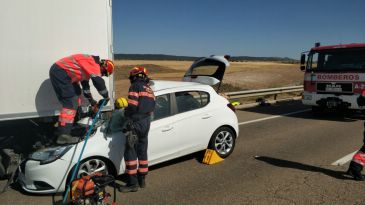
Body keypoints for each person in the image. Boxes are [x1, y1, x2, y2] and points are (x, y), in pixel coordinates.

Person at [49, 54, 114, 144]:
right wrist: (106, 96)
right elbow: (99, 82)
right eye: (103, 73)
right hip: (61, 72)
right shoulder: (93, 63)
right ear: (103, 66)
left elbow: (86, 89)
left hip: (63, 73)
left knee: (77, 94)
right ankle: (63, 135)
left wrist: (92, 102)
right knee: (71, 102)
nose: (101, 75)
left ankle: (70, 126)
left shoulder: (87, 68)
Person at [119, 67, 155, 192]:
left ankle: (132, 184)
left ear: (134, 76)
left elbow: (132, 106)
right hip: (146, 123)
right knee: (142, 151)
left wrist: (125, 114)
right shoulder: (149, 89)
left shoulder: (135, 86)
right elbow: (151, 107)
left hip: (136, 123)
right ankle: (142, 179)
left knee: (130, 152)